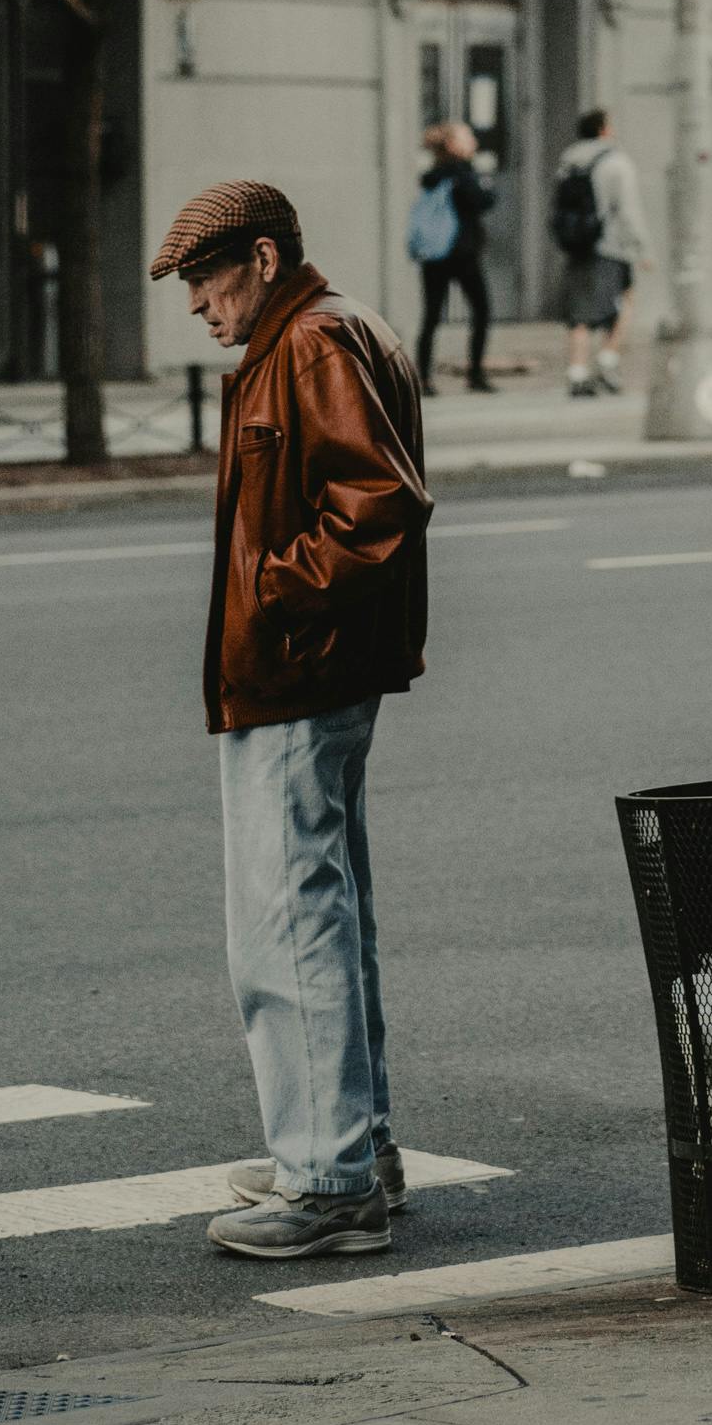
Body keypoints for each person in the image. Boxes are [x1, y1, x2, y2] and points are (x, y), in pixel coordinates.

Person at [151, 179, 431, 1264]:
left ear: (261, 259)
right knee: (323, 909)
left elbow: (377, 507)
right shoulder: (326, 331)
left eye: (205, 279)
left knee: (289, 920)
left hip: (298, 671)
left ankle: (329, 1181)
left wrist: (274, 592)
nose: (196, 305)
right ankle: (350, 1153)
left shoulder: (309, 345)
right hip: (314, 670)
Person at [551, 106, 648, 399]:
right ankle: (607, 360)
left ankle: (577, 373)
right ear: (604, 129)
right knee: (625, 301)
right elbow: (628, 210)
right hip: (610, 245)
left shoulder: (568, 160)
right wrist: (641, 247)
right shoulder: (617, 162)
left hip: (578, 243)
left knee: (579, 313)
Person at [408, 122, 495, 395]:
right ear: (453, 144)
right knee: (481, 311)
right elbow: (482, 201)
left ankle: (423, 378)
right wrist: (486, 181)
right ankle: (475, 374)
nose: (473, 143)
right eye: (467, 138)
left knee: (431, 315)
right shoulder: (463, 172)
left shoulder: (432, 175)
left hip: (434, 254)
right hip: (462, 252)